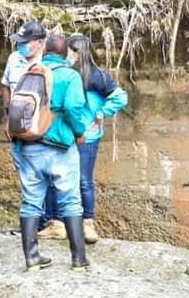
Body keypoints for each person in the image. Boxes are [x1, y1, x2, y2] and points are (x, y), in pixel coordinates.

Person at [12, 33, 93, 271]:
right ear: (65, 53)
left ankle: (32, 258)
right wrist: (79, 131)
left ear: (45, 51)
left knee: (31, 201)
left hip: (29, 145)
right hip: (59, 147)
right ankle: (79, 259)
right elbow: (73, 107)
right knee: (70, 200)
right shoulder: (69, 75)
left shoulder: (29, 72)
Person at [38, 33, 128, 243]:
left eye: (70, 51)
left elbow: (120, 96)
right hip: (67, 134)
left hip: (85, 135)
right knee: (58, 178)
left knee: (83, 180)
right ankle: (57, 223)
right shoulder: (67, 74)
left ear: (79, 53)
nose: (67, 54)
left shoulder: (95, 76)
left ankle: (87, 224)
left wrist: (102, 113)